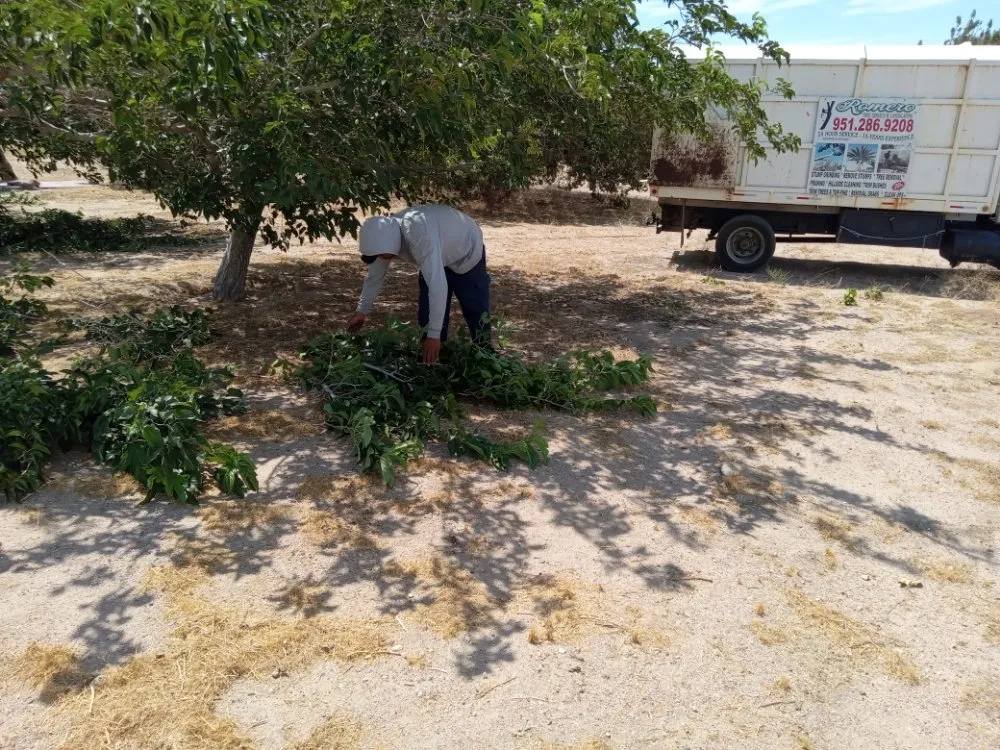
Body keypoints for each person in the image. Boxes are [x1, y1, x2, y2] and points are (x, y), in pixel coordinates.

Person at [346, 204, 492, 364]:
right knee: (427, 315)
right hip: (436, 253)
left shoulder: (418, 234)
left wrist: (434, 335)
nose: (380, 257)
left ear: (391, 244)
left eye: (381, 254)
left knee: (475, 309)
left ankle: (485, 358)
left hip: (465, 249)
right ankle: (432, 362)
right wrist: (362, 311)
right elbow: (374, 277)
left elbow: (438, 286)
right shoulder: (384, 239)